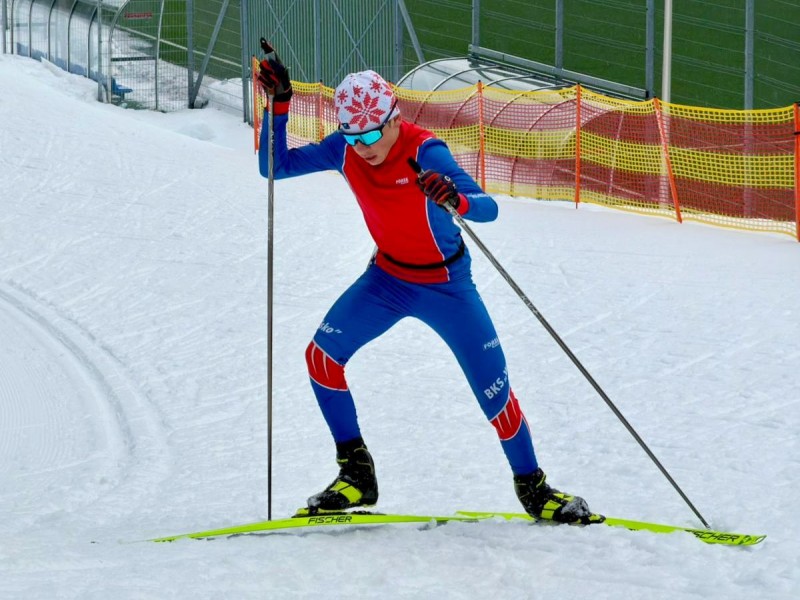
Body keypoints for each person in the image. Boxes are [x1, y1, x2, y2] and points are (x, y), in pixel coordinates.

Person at [257, 44, 600, 524]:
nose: (364, 146)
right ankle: (356, 474)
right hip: (388, 279)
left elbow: (488, 209)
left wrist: (455, 198)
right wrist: (278, 106)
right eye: (353, 136)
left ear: (395, 118)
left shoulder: (425, 151)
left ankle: (534, 488)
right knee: (321, 358)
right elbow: (274, 167)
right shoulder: (345, 149)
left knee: (494, 393)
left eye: (372, 133)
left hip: (447, 286)